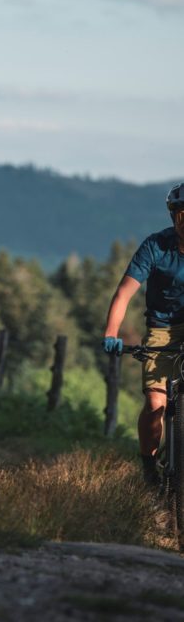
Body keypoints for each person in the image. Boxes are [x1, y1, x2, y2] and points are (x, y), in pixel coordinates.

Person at [103, 182, 184, 486]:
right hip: (162, 329)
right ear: (174, 217)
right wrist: (111, 332)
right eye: (182, 216)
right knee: (155, 405)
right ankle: (150, 469)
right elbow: (124, 294)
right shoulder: (156, 246)